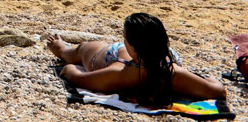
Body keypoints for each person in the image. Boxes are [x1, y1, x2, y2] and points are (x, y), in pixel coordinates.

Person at [46, 13, 225, 106]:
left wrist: (69, 69)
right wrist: (205, 80)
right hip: (161, 55)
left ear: (131, 44)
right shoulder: (174, 73)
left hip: (115, 56)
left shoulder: (120, 72)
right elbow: (218, 91)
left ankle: (60, 47)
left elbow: (74, 75)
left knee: (82, 49)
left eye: (124, 37)